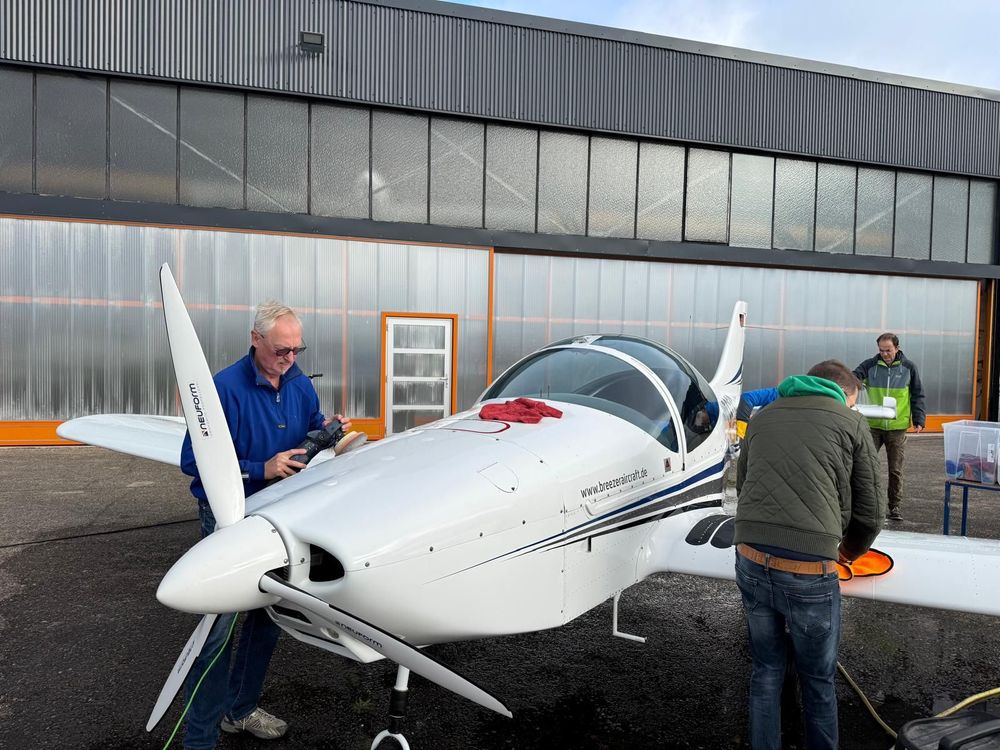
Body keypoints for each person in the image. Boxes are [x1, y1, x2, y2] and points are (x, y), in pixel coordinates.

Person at [179, 301, 351, 749]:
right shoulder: (222, 389)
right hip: (230, 518)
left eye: (296, 349)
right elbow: (192, 461)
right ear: (255, 339)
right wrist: (261, 467)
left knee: (267, 620)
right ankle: (199, 740)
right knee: (216, 632)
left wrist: (329, 437)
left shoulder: (299, 384)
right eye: (281, 349)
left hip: (282, 519)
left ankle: (239, 711)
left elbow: (310, 431)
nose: (290, 358)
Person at [734, 360, 884, 750]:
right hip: (809, 569)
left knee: (766, 669)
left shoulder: (763, 416)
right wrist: (848, 551)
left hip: (749, 556)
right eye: (852, 401)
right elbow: (870, 513)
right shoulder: (851, 423)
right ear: (845, 393)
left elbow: (743, 480)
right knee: (817, 680)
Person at [853, 333, 926, 521]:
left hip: (897, 426)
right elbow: (852, 379)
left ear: (897, 348)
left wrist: (919, 419)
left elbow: (917, 394)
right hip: (873, 425)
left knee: (895, 469)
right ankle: (860, 505)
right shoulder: (869, 365)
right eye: (881, 350)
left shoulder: (909, 368)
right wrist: (855, 387)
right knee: (864, 466)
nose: (884, 354)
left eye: (888, 350)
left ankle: (894, 506)